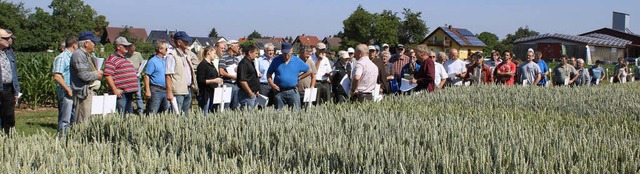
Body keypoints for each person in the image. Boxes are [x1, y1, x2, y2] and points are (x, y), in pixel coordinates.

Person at [266, 42, 312, 111]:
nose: (286, 55)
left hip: (293, 91)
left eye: (288, 53)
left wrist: (299, 78)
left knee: (296, 112)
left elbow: (309, 71)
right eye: (284, 53)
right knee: (278, 113)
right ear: (281, 51)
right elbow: (268, 74)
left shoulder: (297, 61)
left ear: (292, 51)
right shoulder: (276, 60)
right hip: (279, 91)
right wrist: (272, 84)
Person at [71, 31, 103, 124]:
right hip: (83, 94)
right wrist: (97, 75)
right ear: (86, 43)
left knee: (88, 119)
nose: (95, 45)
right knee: (83, 121)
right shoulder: (79, 55)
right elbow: (83, 75)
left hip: (87, 92)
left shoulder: (85, 55)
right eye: (94, 42)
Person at [104, 37, 139, 116]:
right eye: (125, 46)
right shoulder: (112, 59)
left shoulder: (124, 58)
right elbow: (107, 75)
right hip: (121, 93)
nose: (127, 48)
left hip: (128, 92)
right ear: (118, 47)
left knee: (128, 116)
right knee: (120, 116)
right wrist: (114, 90)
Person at [165, 31, 197, 115]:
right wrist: (169, 92)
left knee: (185, 115)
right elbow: (168, 76)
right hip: (178, 91)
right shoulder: (171, 56)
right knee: (176, 115)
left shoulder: (186, 55)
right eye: (185, 41)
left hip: (187, 89)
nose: (187, 43)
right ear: (179, 42)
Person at [53, 36, 77, 138]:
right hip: (67, 93)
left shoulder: (72, 57)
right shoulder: (62, 58)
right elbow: (57, 76)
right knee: (65, 120)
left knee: (74, 119)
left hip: (73, 92)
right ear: (74, 45)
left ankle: (71, 139)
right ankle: (62, 141)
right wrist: (68, 89)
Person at [0, 29, 19, 134]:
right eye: (6, 38)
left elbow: (14, 72)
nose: (9, 40)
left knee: (9, 116)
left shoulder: (9, 52)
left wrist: (16, 90)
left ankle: (9, 140)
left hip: (8, 88)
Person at [144, 40, 170, 114]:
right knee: (153, 110)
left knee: (165, 112)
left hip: (165, 89)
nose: (167, 50)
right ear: (160, 49)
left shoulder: (165, 60)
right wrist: (147, 90)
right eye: (166, 49)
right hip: (156, 89)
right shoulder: (152, 61)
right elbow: (146, 76)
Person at [195, 46, 223, 115]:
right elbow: (200, 81)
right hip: (205, 94)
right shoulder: (202, 65)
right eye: (214, 53)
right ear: (208, 53)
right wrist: (214, 80)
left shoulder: (211, 64)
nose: (215, 55)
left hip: (213, 92)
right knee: (205, 113)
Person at [218, 40, 242, 110]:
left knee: (235, 106)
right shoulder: (224, 57)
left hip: (236, 84)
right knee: (226, 106)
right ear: (231, 46)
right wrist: (233, 76)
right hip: (228, 84)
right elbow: (221, 72)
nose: (238, 48)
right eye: (237, 46)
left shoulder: (236, 59)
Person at [125, 42, 145, 114]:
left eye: (133, 50)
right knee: (129, 95)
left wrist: (139, 70)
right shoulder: (125, 56)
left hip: (136, 77)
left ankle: (140, 110)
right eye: (131, 50)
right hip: (128, 77)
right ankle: (129, 109)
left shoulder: (138, 54)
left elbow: (142, 64)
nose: (132, 51)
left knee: (138, 94)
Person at [258, 43, 276, 107]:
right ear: (265, 51)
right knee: (262, 106)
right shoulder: (259, 60)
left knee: (272, 105)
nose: (271, 52)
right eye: (269, 50)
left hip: (273, 85)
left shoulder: (275, 60)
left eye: (272, 50)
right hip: (263, 86)